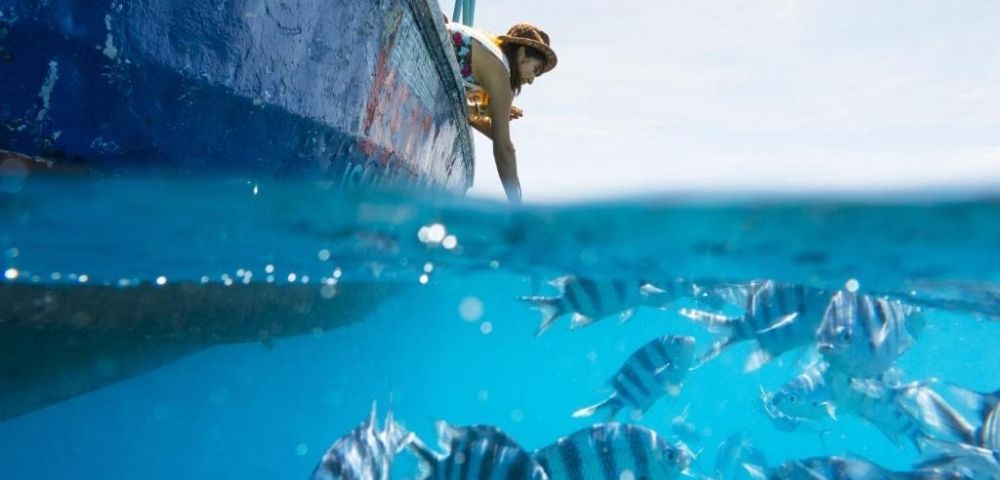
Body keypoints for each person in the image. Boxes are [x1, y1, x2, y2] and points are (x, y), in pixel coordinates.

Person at [446, 22, 558, 203]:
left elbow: (469, 115)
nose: (530, 81)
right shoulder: (500, 78)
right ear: (521, 53)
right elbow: (504, 149)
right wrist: (516, 203)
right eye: (534, 70)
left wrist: (495, 113)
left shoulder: (488, 53)